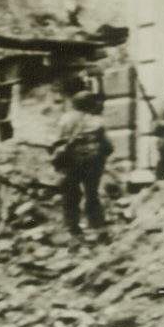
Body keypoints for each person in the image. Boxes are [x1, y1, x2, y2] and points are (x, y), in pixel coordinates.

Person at [50, 90, 113, 236]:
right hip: (94, 162)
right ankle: (96, 223)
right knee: (92, 193)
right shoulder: (97, 121)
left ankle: (72, 227)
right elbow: (108, 146)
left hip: (72, 161)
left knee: (71, 194)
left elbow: (57, 141)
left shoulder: (66, 119)